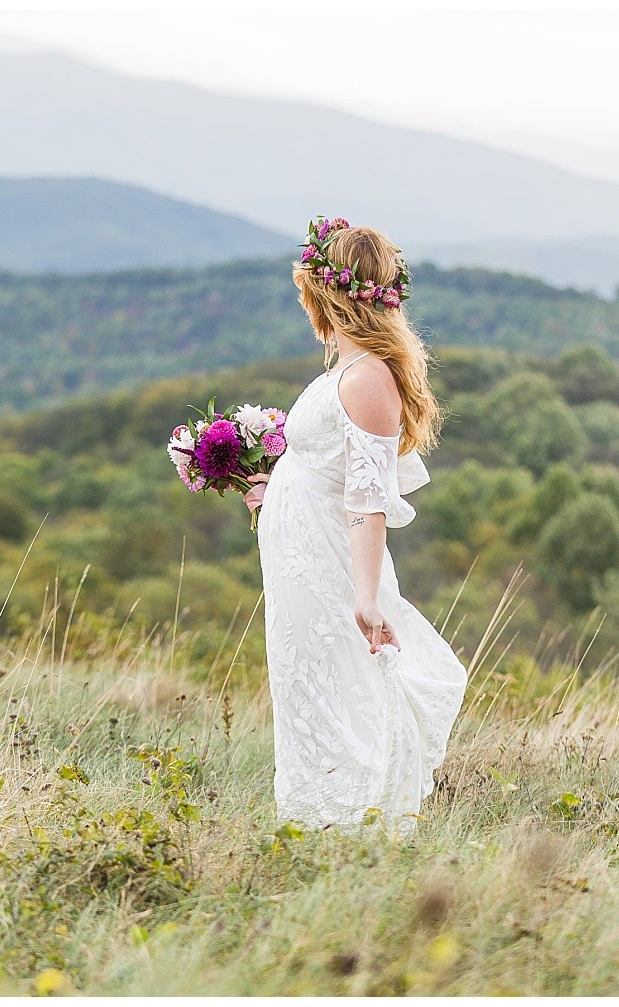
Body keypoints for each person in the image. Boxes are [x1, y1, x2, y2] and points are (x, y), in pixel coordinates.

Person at [243, 217, 468, 837]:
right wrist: (270, 488)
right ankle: (313, 818)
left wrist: (366, 598)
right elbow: (328, 467)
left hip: (332, 564)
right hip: (299, 554)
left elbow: (370, 498)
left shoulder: (369, 378)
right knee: (306, 685)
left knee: (343, 686)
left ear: (325, 291)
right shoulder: (349, 366)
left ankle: (352, 824)